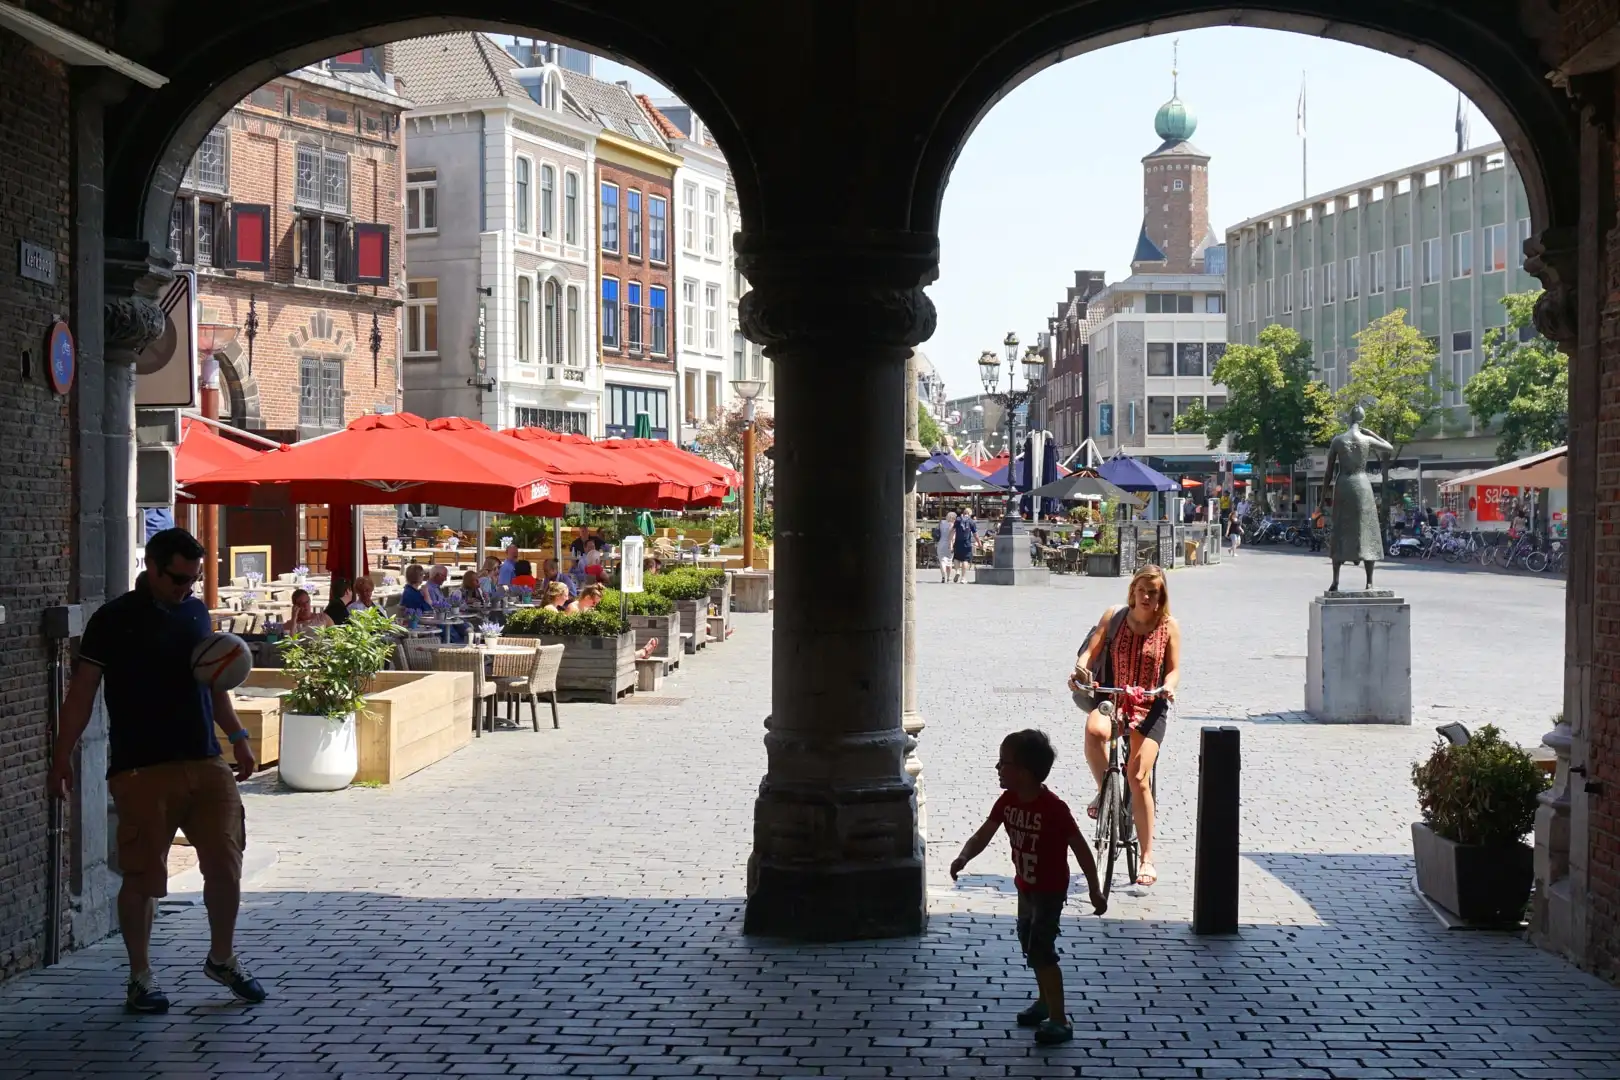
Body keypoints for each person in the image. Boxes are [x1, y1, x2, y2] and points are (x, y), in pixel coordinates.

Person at [48, 528, 268, 1013]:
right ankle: (141, 978)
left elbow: (214, 680)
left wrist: (237, 737)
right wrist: (61, 755)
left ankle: (223, 958)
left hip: (205, 759)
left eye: (193, 579)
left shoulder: (194, 611)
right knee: (144, 877)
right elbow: (82, 692)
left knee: (227, 865)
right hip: (141, 769)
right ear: (150, 567)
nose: (185, 588)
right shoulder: (114, 619)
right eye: (177, 578)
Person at [949, 729, 1105, 1046]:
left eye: (1003, 763)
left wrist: (1094, 888)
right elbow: (984, 834)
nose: (997, 768)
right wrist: (964, 855)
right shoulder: (1007, 801)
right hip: (1025, 887)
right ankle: (1044, 1001)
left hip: (1049, 889)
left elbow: (1081, 849)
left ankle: (1060, 1018)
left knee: (1042, 949)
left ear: (1024, 772)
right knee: (1029, 942)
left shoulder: (1054, 809)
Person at [1068, 565, 1181, 889]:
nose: (1147, 597)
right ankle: (1105, 792)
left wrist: (1169, 686)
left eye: (1154, 592)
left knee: (1138, 777)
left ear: (1162, 596)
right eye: (1142, 590)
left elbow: (1173, 670)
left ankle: (1147, 856)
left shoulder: (1169, 626)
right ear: (1132, 591)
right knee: (1094, 731)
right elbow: (1090, 651)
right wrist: (1080, 670)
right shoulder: (1114, 617)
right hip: (1114, 698)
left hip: (1150, 704)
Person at [952, 509, 976, 583]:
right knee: (965, 560)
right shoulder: (971, 521)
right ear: (970, 514)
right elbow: (975, 534)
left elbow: (952, 530)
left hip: (958, 542)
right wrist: (979, 543)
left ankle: (957, 571)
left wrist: (950, 540)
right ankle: (963, 578)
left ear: (963, 512)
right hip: (967, 543)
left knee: (956, 558)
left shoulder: (958, 520)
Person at [937, 510, 957, 583]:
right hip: (950, 544)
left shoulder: (941, 523)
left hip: (941, 543)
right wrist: (952, 545)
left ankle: (943, 576)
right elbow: (953, 537)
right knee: (949, 561)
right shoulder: (953, 525)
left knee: (942, 560)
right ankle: (948, 577)